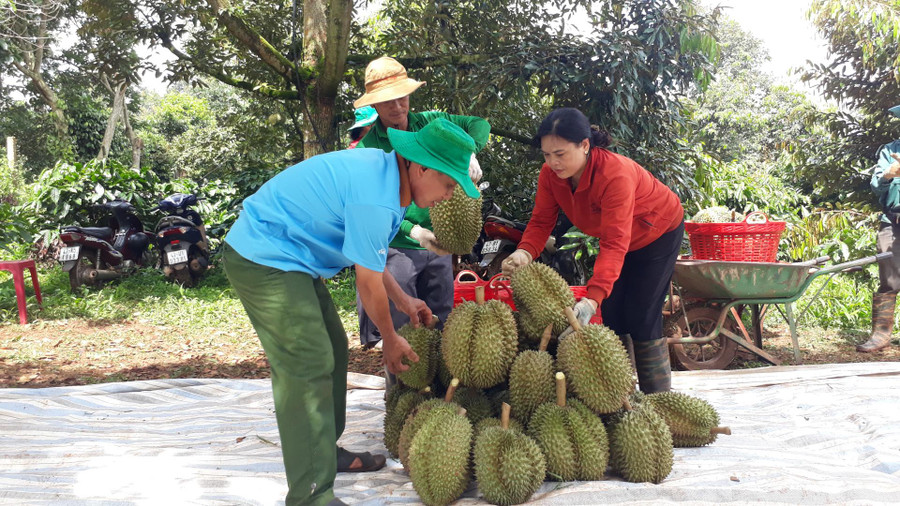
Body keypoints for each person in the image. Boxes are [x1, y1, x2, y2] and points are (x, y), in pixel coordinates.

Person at [222, 119, 479, 506]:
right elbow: (367, 283)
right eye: (448, 183)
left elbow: (370, 260)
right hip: (264, 256)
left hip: (294, 259)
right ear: (422, 167)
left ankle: (323, 451)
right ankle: (311, 495)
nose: (449, 194)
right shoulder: (377, 196)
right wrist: (389, 339)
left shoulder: (390, 183)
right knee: (308, 362)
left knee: (334, 349)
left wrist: (404, 302)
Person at [501, 107, 685, 394]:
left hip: (657, 231)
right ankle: (621, 394)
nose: (553, 162)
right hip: (619, 239)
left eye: (560, 154)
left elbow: (614, 242)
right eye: (547, 155)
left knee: (641, 314)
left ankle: (657, 401)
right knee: (612, 316)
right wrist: (524, 252)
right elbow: (540, 221)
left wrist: (592, 298)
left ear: (584, 145)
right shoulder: (550, 176)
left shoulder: (615, 175)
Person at [352, 56, 491, 352]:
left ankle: (437, 392)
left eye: (402, 97)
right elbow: (370, 213)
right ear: (374, 105)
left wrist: (468, 151)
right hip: (397, 247)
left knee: (440, 321)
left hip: (438, 246)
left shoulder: (431, 124)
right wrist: (413, 231)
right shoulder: (367, 150)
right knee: (404, 324)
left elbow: (478, 125)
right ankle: (402, 391)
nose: (398, 107)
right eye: (388, 101)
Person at [861, 104, 900, 353]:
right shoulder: (890, 150)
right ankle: (881, 334)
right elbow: (876, 186)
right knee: (888, 279)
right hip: (892, 223)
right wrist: (889, 174)